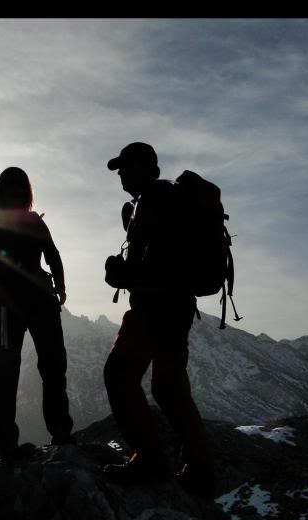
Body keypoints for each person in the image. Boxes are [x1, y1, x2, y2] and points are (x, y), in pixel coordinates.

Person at [102, 142, 216, 495]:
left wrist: (117, 272)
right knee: (169, 388)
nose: (120, 174)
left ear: (142, 168)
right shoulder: (167, 199)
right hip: (177, 308)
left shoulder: (152, 201)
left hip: (154, 307)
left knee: (120, 375)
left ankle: (150, 460)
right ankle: (199, 469)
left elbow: (147, 266)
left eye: (124, 167)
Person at [0, 166, 76, 463]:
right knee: (51, 368)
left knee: (9, 371)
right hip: (36, 302)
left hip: (6, 306)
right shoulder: (32, 223)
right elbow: (53, 256)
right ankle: (60, 435)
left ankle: (6, 444)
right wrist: (59, 287)